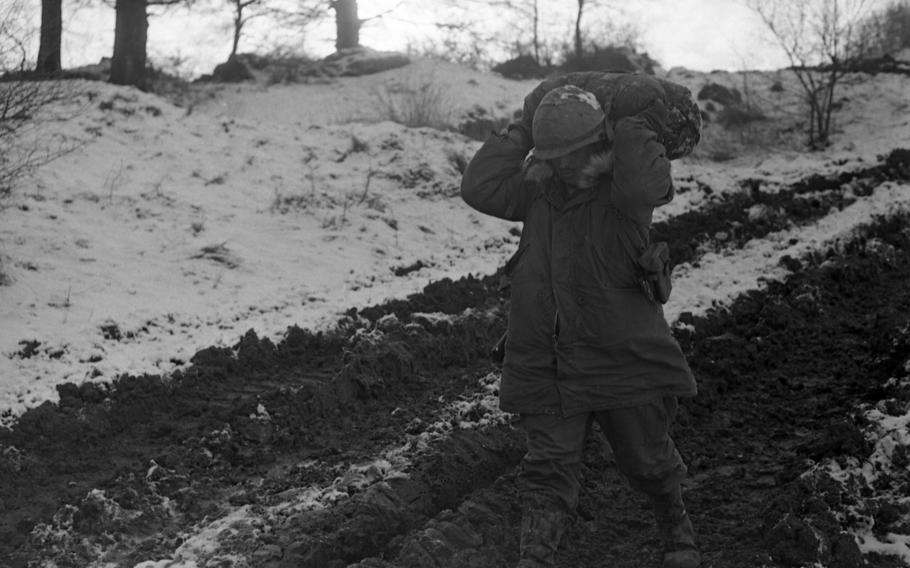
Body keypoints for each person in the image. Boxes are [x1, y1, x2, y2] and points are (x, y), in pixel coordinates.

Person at [460, 80, 700, 568]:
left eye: (572, 152)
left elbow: (646, 182)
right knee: (547, 470)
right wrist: (524, 129)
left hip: (621, 355)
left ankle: (676, 531)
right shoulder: (538, 191)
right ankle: (536, 556)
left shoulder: (625, 194)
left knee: (648, 460)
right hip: (547, 356)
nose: (563, 165)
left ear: (597, 142)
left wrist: (635, 121)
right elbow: (479, 186)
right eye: (553, 155)